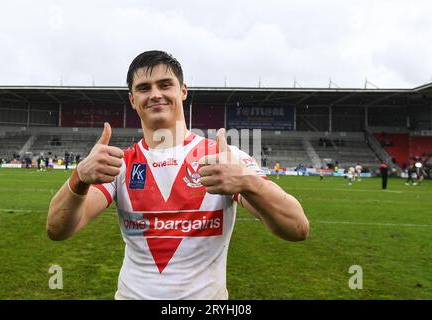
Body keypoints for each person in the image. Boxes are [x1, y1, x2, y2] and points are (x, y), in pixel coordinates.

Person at [46, 50, 309, 300]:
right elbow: (57, 230)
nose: (155, 94)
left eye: (165, 84)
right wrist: (79, 177)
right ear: (132, 99)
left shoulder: (224, 157)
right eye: (144, 88)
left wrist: (248, 183)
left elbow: (297, 228)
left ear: (183, 91)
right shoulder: (121, 164)